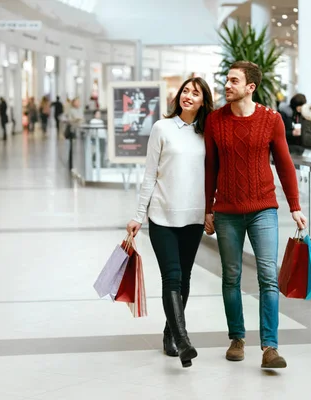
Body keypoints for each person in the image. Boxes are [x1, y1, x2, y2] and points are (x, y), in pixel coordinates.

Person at [204, 61, 307, 369]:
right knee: (231, 276)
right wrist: (207, 208)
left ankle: (270, 347)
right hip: (226, 212)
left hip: (263, 209)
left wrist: (295, 205)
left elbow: (285, 164)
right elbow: (210, 167)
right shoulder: (214, 121)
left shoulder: (271, 120)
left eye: (233, 81)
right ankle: (237, 338)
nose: (226, 85)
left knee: (267, 277)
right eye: (226, 80)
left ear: (250, 87)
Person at [126, 77, 213, 368]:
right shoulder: (162, 128)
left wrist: (211, 211)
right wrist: (138, 216)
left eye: (195, 93)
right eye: (185, 91)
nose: (188, 95)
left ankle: (169, 334)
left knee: (184, 278)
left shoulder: (207, 133)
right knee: (171, 277)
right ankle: (184, 340)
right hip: (162, 216)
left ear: (203, 101)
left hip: (193, 218)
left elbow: (213, 177)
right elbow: (150, 175)